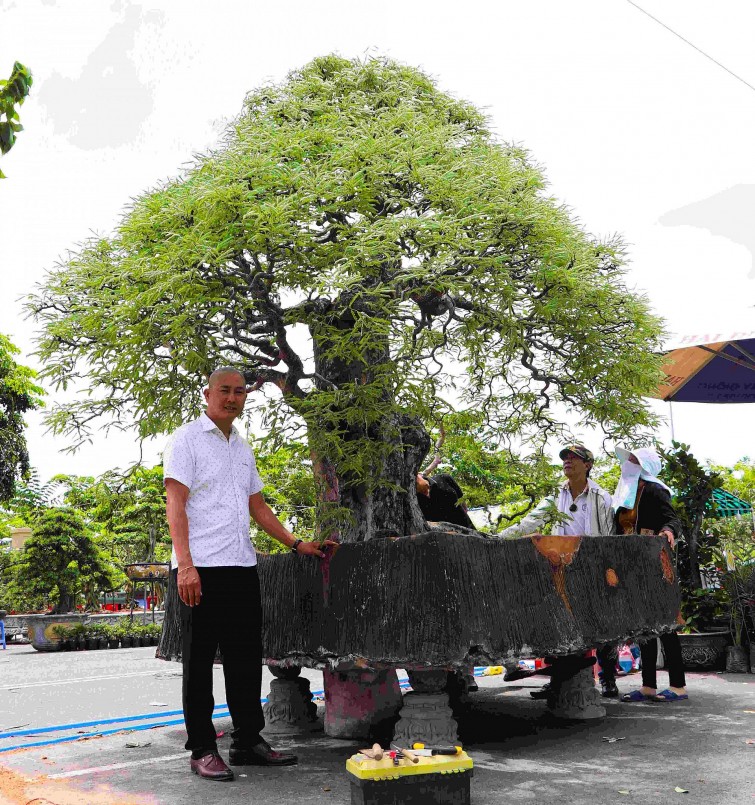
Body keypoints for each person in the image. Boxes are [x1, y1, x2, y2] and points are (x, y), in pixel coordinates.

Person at [164, 367, 334, 781]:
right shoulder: (185, 440)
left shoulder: (242, 448)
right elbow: (176, 504)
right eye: (225, 391)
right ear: (208, 393)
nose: (232, 398)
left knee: (244, 661)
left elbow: (258, 507)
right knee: (200, 663)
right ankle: (202, 748)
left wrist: (296, 543)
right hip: (199, 569)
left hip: (241, 565)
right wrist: (184, 565)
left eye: (240, 392)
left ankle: (247, 742)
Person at [498, 444, 617, 697]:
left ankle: (608, 678)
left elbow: (607, 538)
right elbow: (533, 520)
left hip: (591, 568)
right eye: (565, 458)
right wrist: (500, 537)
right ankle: (558, 683)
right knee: (561, 624)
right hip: (562, 569)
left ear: (587, 465)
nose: (568, 461)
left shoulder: (602, 497)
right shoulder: (556, 494)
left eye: (575, 458)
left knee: (600, 624)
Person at [608, 446, 688, 704]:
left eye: (633, 460)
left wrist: (667, 531)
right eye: (628, 459)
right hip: (631, 565)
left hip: (654, 563)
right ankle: (648, 686)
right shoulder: (624, 493)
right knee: (645, 626)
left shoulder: (655, 490)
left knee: (665, 624)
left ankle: (678, 685)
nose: (627, 463)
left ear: (644, 466)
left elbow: (672, 519)